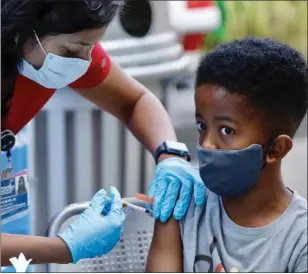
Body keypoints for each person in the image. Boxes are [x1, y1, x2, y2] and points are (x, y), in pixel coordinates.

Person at [1, 0, 206, 266]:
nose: (85, 64)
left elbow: (134, 101)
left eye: (90, 49)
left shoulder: (61, 51)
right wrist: (65, 248)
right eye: (73, 50)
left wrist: (171, 156)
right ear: (20, 31)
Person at [146, 37, 308, 272]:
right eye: (202, 126)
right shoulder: (182, 203)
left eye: (226, 130)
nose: (207, 144)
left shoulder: (299, 239)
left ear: (275, 149)